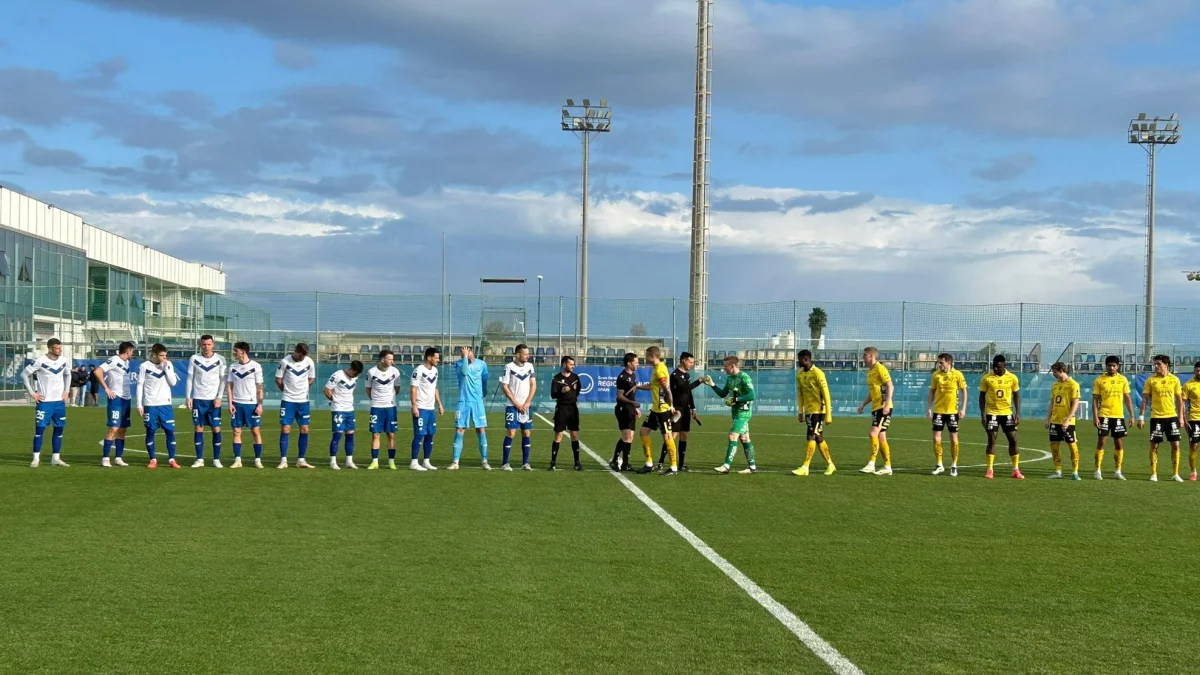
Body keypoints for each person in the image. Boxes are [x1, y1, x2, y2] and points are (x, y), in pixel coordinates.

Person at [23, 338, 72, 468]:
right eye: (57, 348)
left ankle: (56, 458)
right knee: (40, 429)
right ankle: (35, 459)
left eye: (60, 347)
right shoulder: (40, 361)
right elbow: (24, 375)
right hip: (45, 402)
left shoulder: (63, 360)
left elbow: (68, 374)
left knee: (59, 429)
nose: (60, 350)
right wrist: (32, 393)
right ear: (50, 349)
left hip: (59, 402)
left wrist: (66, 391)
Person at [706, 355, 757, 475]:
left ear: (732, 366)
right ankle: (752, 467)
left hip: (744, 412)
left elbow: (752, 395)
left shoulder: (744, 377)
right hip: (735, 412)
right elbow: (723, 394)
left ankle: (726, 466)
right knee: (745, 438)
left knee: (732, 436)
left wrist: (736, 399)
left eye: (725, 366)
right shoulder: (729, 379)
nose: (724, 368)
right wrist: (712, 385)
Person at [1139, 355, 1185, 482]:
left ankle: (1175, 474)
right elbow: (1144, 399)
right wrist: (1141, 417)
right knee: (1154, 445)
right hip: (1156, 417)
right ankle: (1154, 474)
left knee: (1176, 445)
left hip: (1172, 417)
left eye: (1158, 364)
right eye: (1155, 364)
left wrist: (1181, 417)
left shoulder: (1174, 380)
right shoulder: (1150, 380)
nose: (1156, 366)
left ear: (1166, 365)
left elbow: (1179, 400)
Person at [658, 352, 704, 472]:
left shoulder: (687, 375)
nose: (692, 364)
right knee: (672, 436)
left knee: (684, 435)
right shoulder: (675, 375)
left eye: (693, 362)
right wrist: (699, 381)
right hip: (676, 409)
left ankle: (681, 464)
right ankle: (661, 462)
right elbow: (684, 388)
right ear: (683, 361)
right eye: (690, 362)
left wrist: (693, 408)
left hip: (686, 409)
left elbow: (688, 393)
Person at [636, 346, 678, 475]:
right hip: (655, 409)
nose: (645, 358)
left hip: (662, 410)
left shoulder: (660, 370)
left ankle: (673, 467)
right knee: (643, 431)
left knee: (667, 436)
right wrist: (638, 387)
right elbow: (653, 385)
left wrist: (671, 405)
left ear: (652, 356)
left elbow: (667, 389)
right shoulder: (656, 369)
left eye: (646, 355)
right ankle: (649, 464)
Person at [137, 343, 180, 469]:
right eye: (161, 356)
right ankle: (152, 460)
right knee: (150, 431)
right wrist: (139, 404)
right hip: (150, 405)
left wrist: (166, 369)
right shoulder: (144, 366)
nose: (164, 358)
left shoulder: (168, 364)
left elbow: (173, 382)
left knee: (170, 431)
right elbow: (139, 385)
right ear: (154, 354)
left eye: (165, 355)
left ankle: (172, 459)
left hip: (165, 404)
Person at [793, 349, 835, 476]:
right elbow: (800, 394)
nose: (798, 362)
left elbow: (826, 394)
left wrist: (828, 414)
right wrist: (800, 411)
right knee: (818, 438)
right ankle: (831, 465)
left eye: (799, 359)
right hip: (809, 411)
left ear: (806, 359)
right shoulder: (799, 375)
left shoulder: (818, 373)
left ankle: (805, 467)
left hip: (818, 410)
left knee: (811, 436)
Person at [187, 335, 227, 468]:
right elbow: (190, 378)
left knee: (216, 428)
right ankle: (199, 459)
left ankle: (216, 459)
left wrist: (219, 397)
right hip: (198, 398)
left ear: (213, 345)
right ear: (200, 345)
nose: (206, 347)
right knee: (199, 427)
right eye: (204, 344)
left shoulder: (220, 359)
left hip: (213, 400)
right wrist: (188, 396)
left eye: (209, 344)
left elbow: (223, 380)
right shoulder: (194, 358)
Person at [980, 354, 1022, 479]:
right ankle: (990, 470)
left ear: (1004, 365)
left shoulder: (1012, 378)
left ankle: (1015, 470)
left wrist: (1017, 413)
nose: (995, 369)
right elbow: (982, 396)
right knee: (992, 440)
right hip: (992, 413)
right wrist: (983, 414)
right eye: (993, 367)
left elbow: (1016, 395)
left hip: (1007, 413)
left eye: (998, 367)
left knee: (1013, 440)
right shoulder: (987, 378)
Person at [275, 343, 316, 469]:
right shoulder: (284, 362)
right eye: (300, 355)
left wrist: (303, 390)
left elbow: (311, 378)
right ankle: (283, 460)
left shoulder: (309, 362)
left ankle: (301, 460)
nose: (302, 357)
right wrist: (286, 391)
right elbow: (278, 379)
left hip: (303, 401)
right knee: (285, 428)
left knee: (304, 429)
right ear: (295, 351)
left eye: (304, 355)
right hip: (288, 400)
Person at [1092, 355, 1133, 480]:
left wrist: (1132, 416)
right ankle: (1097, 470)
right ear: (1106, 366)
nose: (1111, 368)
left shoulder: (1123, 379)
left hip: (1118, 415)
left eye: (1114, 365)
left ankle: (1118, 471)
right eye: (1109, 365)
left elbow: (1127, 398)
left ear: (1118, 366)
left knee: (1119, 443)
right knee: (1101, 441)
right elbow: (1095, 400)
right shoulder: (1099, 380)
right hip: (1104, 414)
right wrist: (1095, 416)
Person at [449, 346, 490, 471]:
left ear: (472, 352)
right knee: (459, 430)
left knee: (481, 430)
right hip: (463, 402)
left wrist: (483, 394)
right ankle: (455, 462)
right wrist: (465, 357)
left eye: (467, 351)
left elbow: (485, 380)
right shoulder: (459, 363)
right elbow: (464, 372)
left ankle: (484, 461)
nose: (464, 353)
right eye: (462, 352)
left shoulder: (482, 364)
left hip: (477, 402)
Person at [927, 353, 968, 476]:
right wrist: (929, 408)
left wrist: (963, 408)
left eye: (941, 363)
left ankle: (954, 465)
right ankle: (939, 464)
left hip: (952, 412)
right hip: (938, 411)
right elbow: (932, 391)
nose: (939, 365)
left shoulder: (958, 374)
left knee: (954, 438)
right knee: (936, 438)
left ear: (949, 363)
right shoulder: (936, 375)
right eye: (938, 363)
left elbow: (964, 391)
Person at [226, 342, 265, 469]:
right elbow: (229, 386)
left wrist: (260, 405)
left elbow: (259, 387)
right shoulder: (233, 367)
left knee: (255, 431)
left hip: (251, 404)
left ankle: (258, 460)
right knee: (236, 431)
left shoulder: (256, 366)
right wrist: (230, 403)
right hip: (237, 404)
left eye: (236, 351)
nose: (234, 353)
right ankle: (238, 460)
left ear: (243, 352)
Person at [857, 347, 894, 475]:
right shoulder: (870, 372)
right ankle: (887, 467)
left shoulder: (880, 368)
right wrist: (863, 404)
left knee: (873, 433)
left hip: (883, 407)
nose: (863, 357)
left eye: (865, 355)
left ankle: (871, 464)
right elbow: (873, 392)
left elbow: (890, 386)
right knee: (881, 436)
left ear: (871, 356)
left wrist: (887, 404)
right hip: (876, 407)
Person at [97, 341, 135, 467]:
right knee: (114, 428)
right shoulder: (114, 360)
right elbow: (98, 371)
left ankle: (118, 457)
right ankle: (105, 458)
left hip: (126, 399)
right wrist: (106, 389)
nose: (133, 353)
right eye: (132, 351)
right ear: (127, 351)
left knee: (123, 429)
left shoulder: (126, 362)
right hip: (116, 398)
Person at [500, 344, 537, 471]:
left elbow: (533, 385)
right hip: (512, 406)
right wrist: (516, 403)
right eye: (525, 354)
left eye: (528, 354)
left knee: (526, 432)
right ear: (517, 354)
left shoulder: (530, 366)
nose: (528, 356)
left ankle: (525, 463)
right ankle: (505, 463)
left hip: (526, 406)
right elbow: (505, 386)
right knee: (511, 432)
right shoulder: (509, 367)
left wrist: (527, 402)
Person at [1044, 362, 1081, 480]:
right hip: (1055, 421)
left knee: (1072, 446)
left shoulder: (1073, 384)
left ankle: (1075, 472)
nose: (1053, 374)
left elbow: (1075, 404)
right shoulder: (1055, 385)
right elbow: (1052, 403)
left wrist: (1067, 420)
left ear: (1061, 370)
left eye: (1055, 372)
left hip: (1068, 422)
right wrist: (1047, 418)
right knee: (1054, 446)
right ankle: (1058, 471)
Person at [409, 347, 444, 471]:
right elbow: (413, 389)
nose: (438, 360)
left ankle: (426, 461)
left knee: (430, 435)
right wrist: (414, 405)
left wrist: (439, 404)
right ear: (429, 358)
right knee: (419, 435)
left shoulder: (435, 371)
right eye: (436, 358)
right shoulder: (419, 370)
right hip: (421, 408)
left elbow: (435, 388)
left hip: (430, 408)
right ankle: (414, 462)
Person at [324, 360, 364, 470]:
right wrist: (334, 401)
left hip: (350, 409)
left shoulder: (355, 377)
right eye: (355, 373)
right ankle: (333, 462)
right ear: (351, 369)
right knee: (337, 435)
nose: (356, 376)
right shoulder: (337, 375)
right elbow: (327, 390)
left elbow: (352, 390)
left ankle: (349, 461)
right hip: (339, 409)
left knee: (350, 435)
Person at [366, 349, 401, 470]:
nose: (392, 361)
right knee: (375, 434)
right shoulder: (371, 372)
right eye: (389, 359)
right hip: (376, 407)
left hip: (390, 407)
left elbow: (397, 388)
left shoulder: (395, 371)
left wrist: (389, 399)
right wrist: (376, 400)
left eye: (392, 359)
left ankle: (391, 462)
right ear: (382, 359)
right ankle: (374, 462)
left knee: (391, 434)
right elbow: (368, 389)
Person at [549, 355, 582, 471]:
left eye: (573, 364)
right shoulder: (556, 378)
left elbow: (578, 390)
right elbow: (553, 394)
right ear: (564, 365)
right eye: (571, 364)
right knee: (559, 435)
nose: (573, 366)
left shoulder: (575, 377)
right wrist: (562, 391)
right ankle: (553, 463)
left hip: (573, 408)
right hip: (561, 409)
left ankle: (577, 463)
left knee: (574, 434)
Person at [610, 352, 640, 472]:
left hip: (630, 408)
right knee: (627, 436)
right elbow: (619, 396)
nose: (638, 364)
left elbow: (631, 394)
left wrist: (635, 408)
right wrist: (632, 403)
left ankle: (622, 463)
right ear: (629, 364)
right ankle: (620, 462)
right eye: (636, 362)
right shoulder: (622, 377)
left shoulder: (633, 375)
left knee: (630, 437)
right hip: (623, 409)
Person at [1184, 362, 1200, 481]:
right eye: (1197, 370)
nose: (1199, 372)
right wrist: (1183, 417)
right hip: (1194, 418)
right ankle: (1193, 471)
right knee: (1194, 445)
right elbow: (1183, 402)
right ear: (1194, 371)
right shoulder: (1188, 385)